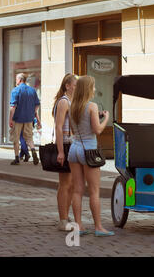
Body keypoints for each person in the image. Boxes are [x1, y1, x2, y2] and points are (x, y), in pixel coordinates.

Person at [68, 75, 114, 237]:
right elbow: (98, 130)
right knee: (94, 191)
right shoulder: (92, 106)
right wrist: (106, 118)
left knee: (77, 190)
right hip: (89, 150)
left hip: (74, 149)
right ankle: (98, 227)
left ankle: (78, 226)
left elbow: (73, 131)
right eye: (93, 86)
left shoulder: (72, 105)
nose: (94, 89)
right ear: (88, 88)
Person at [52, 73, 78, 231]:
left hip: (72, 144)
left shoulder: (71, 101)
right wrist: (60, 151)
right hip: (66, 145)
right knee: (65, 184)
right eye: (76, 84)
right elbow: (59, 127)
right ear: (67, 86)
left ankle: (66, 216)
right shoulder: (63, 102)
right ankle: (62, 219)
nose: (77, 87)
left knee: (73, 184)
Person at [9, 73, 41, 165]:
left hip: (17, 118)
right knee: (29, 138)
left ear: (19, 80)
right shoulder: (32, 90)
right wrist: (33, 113)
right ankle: (34, 152)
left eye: (16, 79)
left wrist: (10, 119)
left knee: (15, 138)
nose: (16, 81)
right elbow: (37, 105)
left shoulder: (15, 90)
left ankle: (16, 158)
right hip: (29, 118)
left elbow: (13, 107)